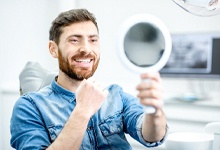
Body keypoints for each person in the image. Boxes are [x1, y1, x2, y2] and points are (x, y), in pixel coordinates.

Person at [10, 8, 168, 150]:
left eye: (93, 40)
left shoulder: (116, 95)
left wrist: (154, 111)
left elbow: (152, 137)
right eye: (74, 40)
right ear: (53, 49)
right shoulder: (29, 106)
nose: (86, 49)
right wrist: (82, 111)